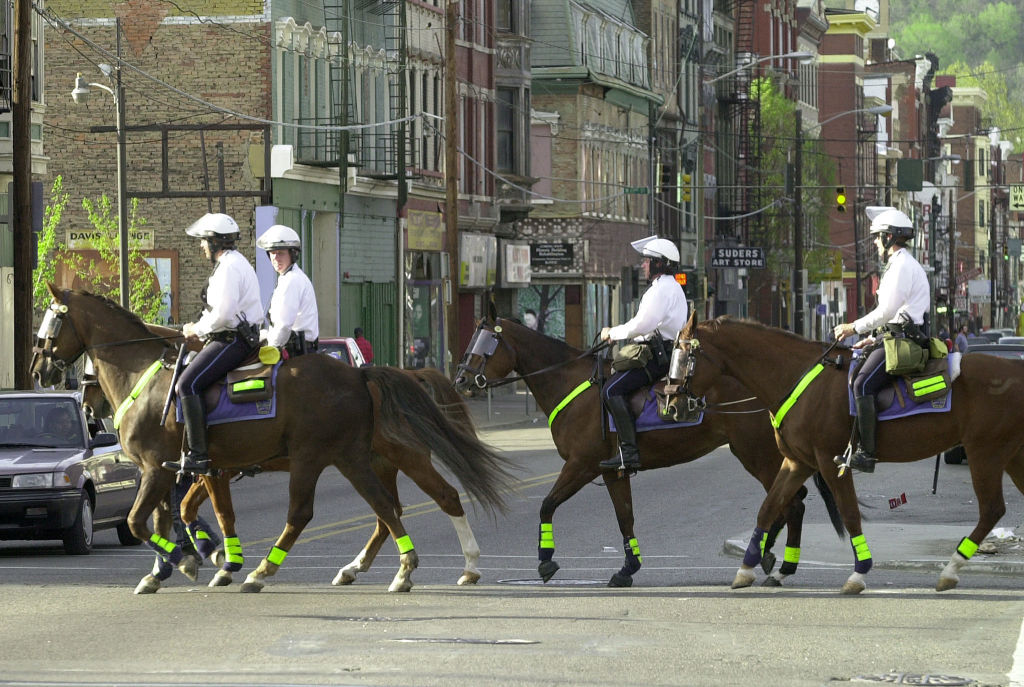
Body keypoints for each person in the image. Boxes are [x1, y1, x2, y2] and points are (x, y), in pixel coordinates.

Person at [162, 213, 264, 475]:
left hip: (232, 339)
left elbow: (224, 315)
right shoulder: (234, 263)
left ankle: (199, 455)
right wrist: (194, 326)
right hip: (228, 335)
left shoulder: (229, 267)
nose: (201, 246)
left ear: (216, 243)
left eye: (204, 241)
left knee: (187, 384)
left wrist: (196, 330)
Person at [833, 207, 929, 474]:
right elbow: (896, 314)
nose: (875, 242)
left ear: (889, 237)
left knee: (862, 384)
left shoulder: (902, 266)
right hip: (893, 336)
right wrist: (871, 338)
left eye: (877, 237)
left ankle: (867, 453)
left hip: (903, 343)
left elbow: (887, 312)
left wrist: (853, 326)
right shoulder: (900, 264)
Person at [598, 237, 688, 471]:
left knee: (611, 389)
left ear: (659, 264)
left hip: (656, 355)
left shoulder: (662, 290)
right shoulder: (670, 287)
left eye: (647, 261)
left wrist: (612, 332)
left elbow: (641, 325)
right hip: (661, 350)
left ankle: (629, 452)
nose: (643, 265)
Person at [256, 224, 319, 357]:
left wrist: (271, 347)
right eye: (272, 253)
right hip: (300, 349)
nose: (275, 258)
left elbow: (283, 325)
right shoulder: (290, 277)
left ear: (293, 254)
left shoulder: (291, 280)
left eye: (280, 253)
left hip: (295, 353)